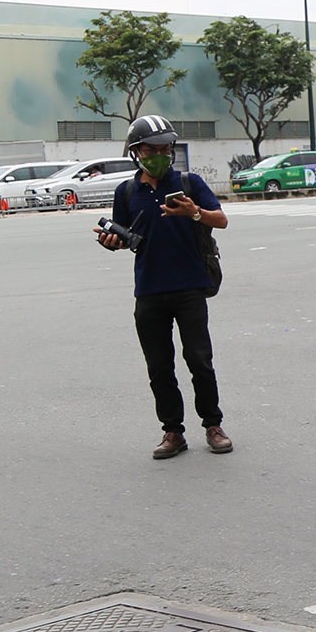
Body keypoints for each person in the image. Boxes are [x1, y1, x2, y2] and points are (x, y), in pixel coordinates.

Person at [95, 114, 233, 460]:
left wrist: (194, 212)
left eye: (165, 148)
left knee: (200, 360)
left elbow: (222, 220)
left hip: (190, 288)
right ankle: (172, 432)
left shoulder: (189, 183)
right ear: (136, 152)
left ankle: (213, 425)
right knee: (159, 366)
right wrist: (112, 241)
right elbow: (126, 237)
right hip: (150, 290)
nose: (159, 154)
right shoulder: (127, 191)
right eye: (151, 149)